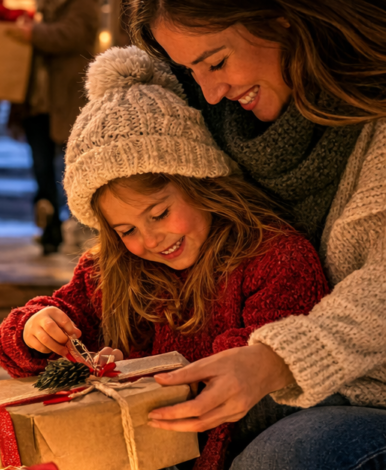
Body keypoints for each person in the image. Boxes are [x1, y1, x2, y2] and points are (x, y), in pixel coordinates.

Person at [0, 47, 330, 469]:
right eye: (125, 230)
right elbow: (10, 346)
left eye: (159, 213)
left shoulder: (274, 258)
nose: (150, 239)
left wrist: (135, 376)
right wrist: (34, 330)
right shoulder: (113, 270)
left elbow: (241, 381)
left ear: (202, 183)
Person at [123, 0, 386, 467]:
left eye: (217, 62)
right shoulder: (202, 138)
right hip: (306, 385)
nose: (210, 92)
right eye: (191, 71)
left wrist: (275, 360)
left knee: (282, 457)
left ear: (282, 19)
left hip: (370, 396)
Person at [7, 0, 99, 254]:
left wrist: (32, 33)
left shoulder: (82, 4)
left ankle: (79, 227)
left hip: (68, 99)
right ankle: (50, 229)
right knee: (41, 166)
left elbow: (71, 35)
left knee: (72, 166)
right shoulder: (37, 6)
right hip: (37, 102)